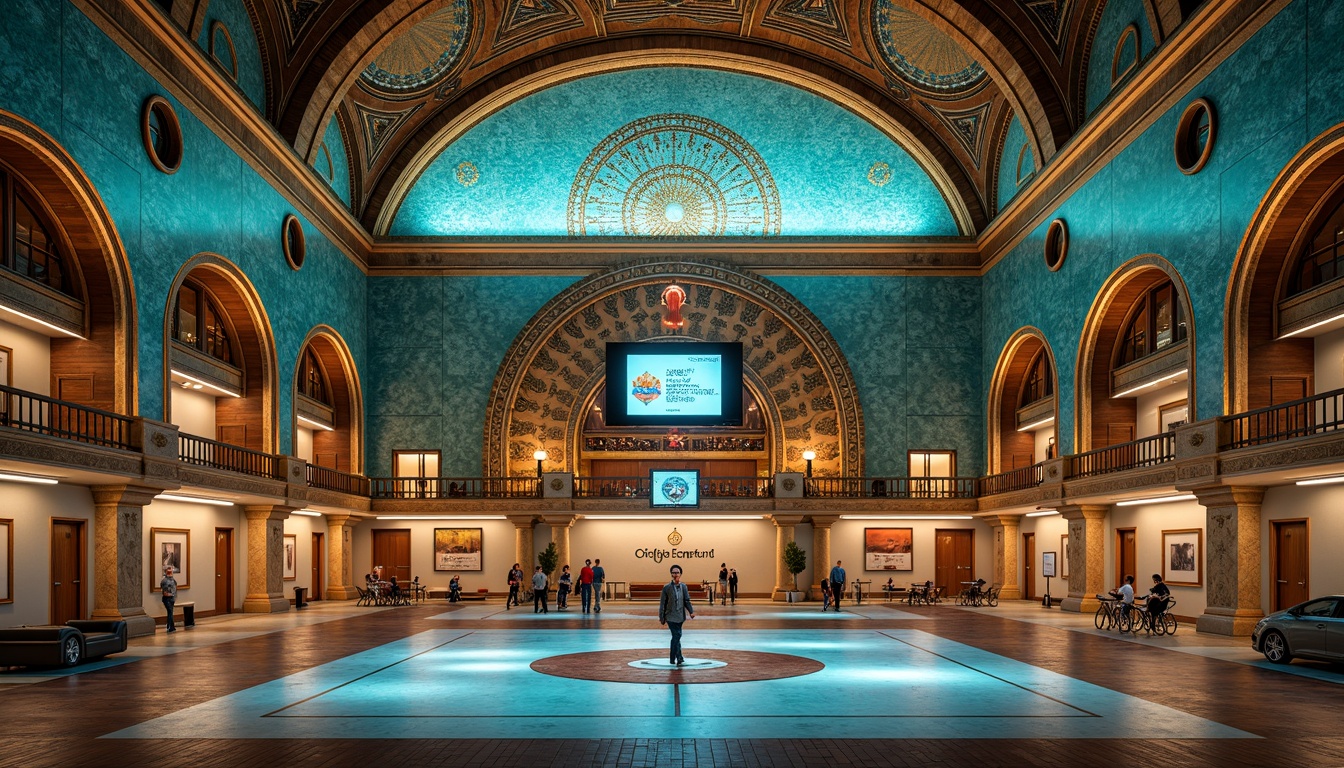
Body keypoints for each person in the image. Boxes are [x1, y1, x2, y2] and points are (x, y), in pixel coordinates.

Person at [658, 564, 696, 665]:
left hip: (680, 616)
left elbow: (686, 600)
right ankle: (673, 657)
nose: (675, 574)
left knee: (676, 637)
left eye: (677, 572)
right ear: (671, 574)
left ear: (680, 574)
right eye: (674, 572)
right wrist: (661, 616)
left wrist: (691, 611)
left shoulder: (683, 587)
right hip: (670, 616)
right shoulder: (666, 588)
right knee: (677, 635)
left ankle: (679, 657)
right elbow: (663, 603)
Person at [160, 565, 178, 633]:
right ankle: (171, 627)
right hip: (167, 599)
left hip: (172, 599)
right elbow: (164, 592)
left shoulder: (173, 580)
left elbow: (175, 588)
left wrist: (174, 596)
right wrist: (171, 594)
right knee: (170, 612)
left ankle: (169, 626)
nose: (171, 571)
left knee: (170, 612)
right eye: (169, 570)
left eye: (171, 569)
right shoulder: (165, 581)